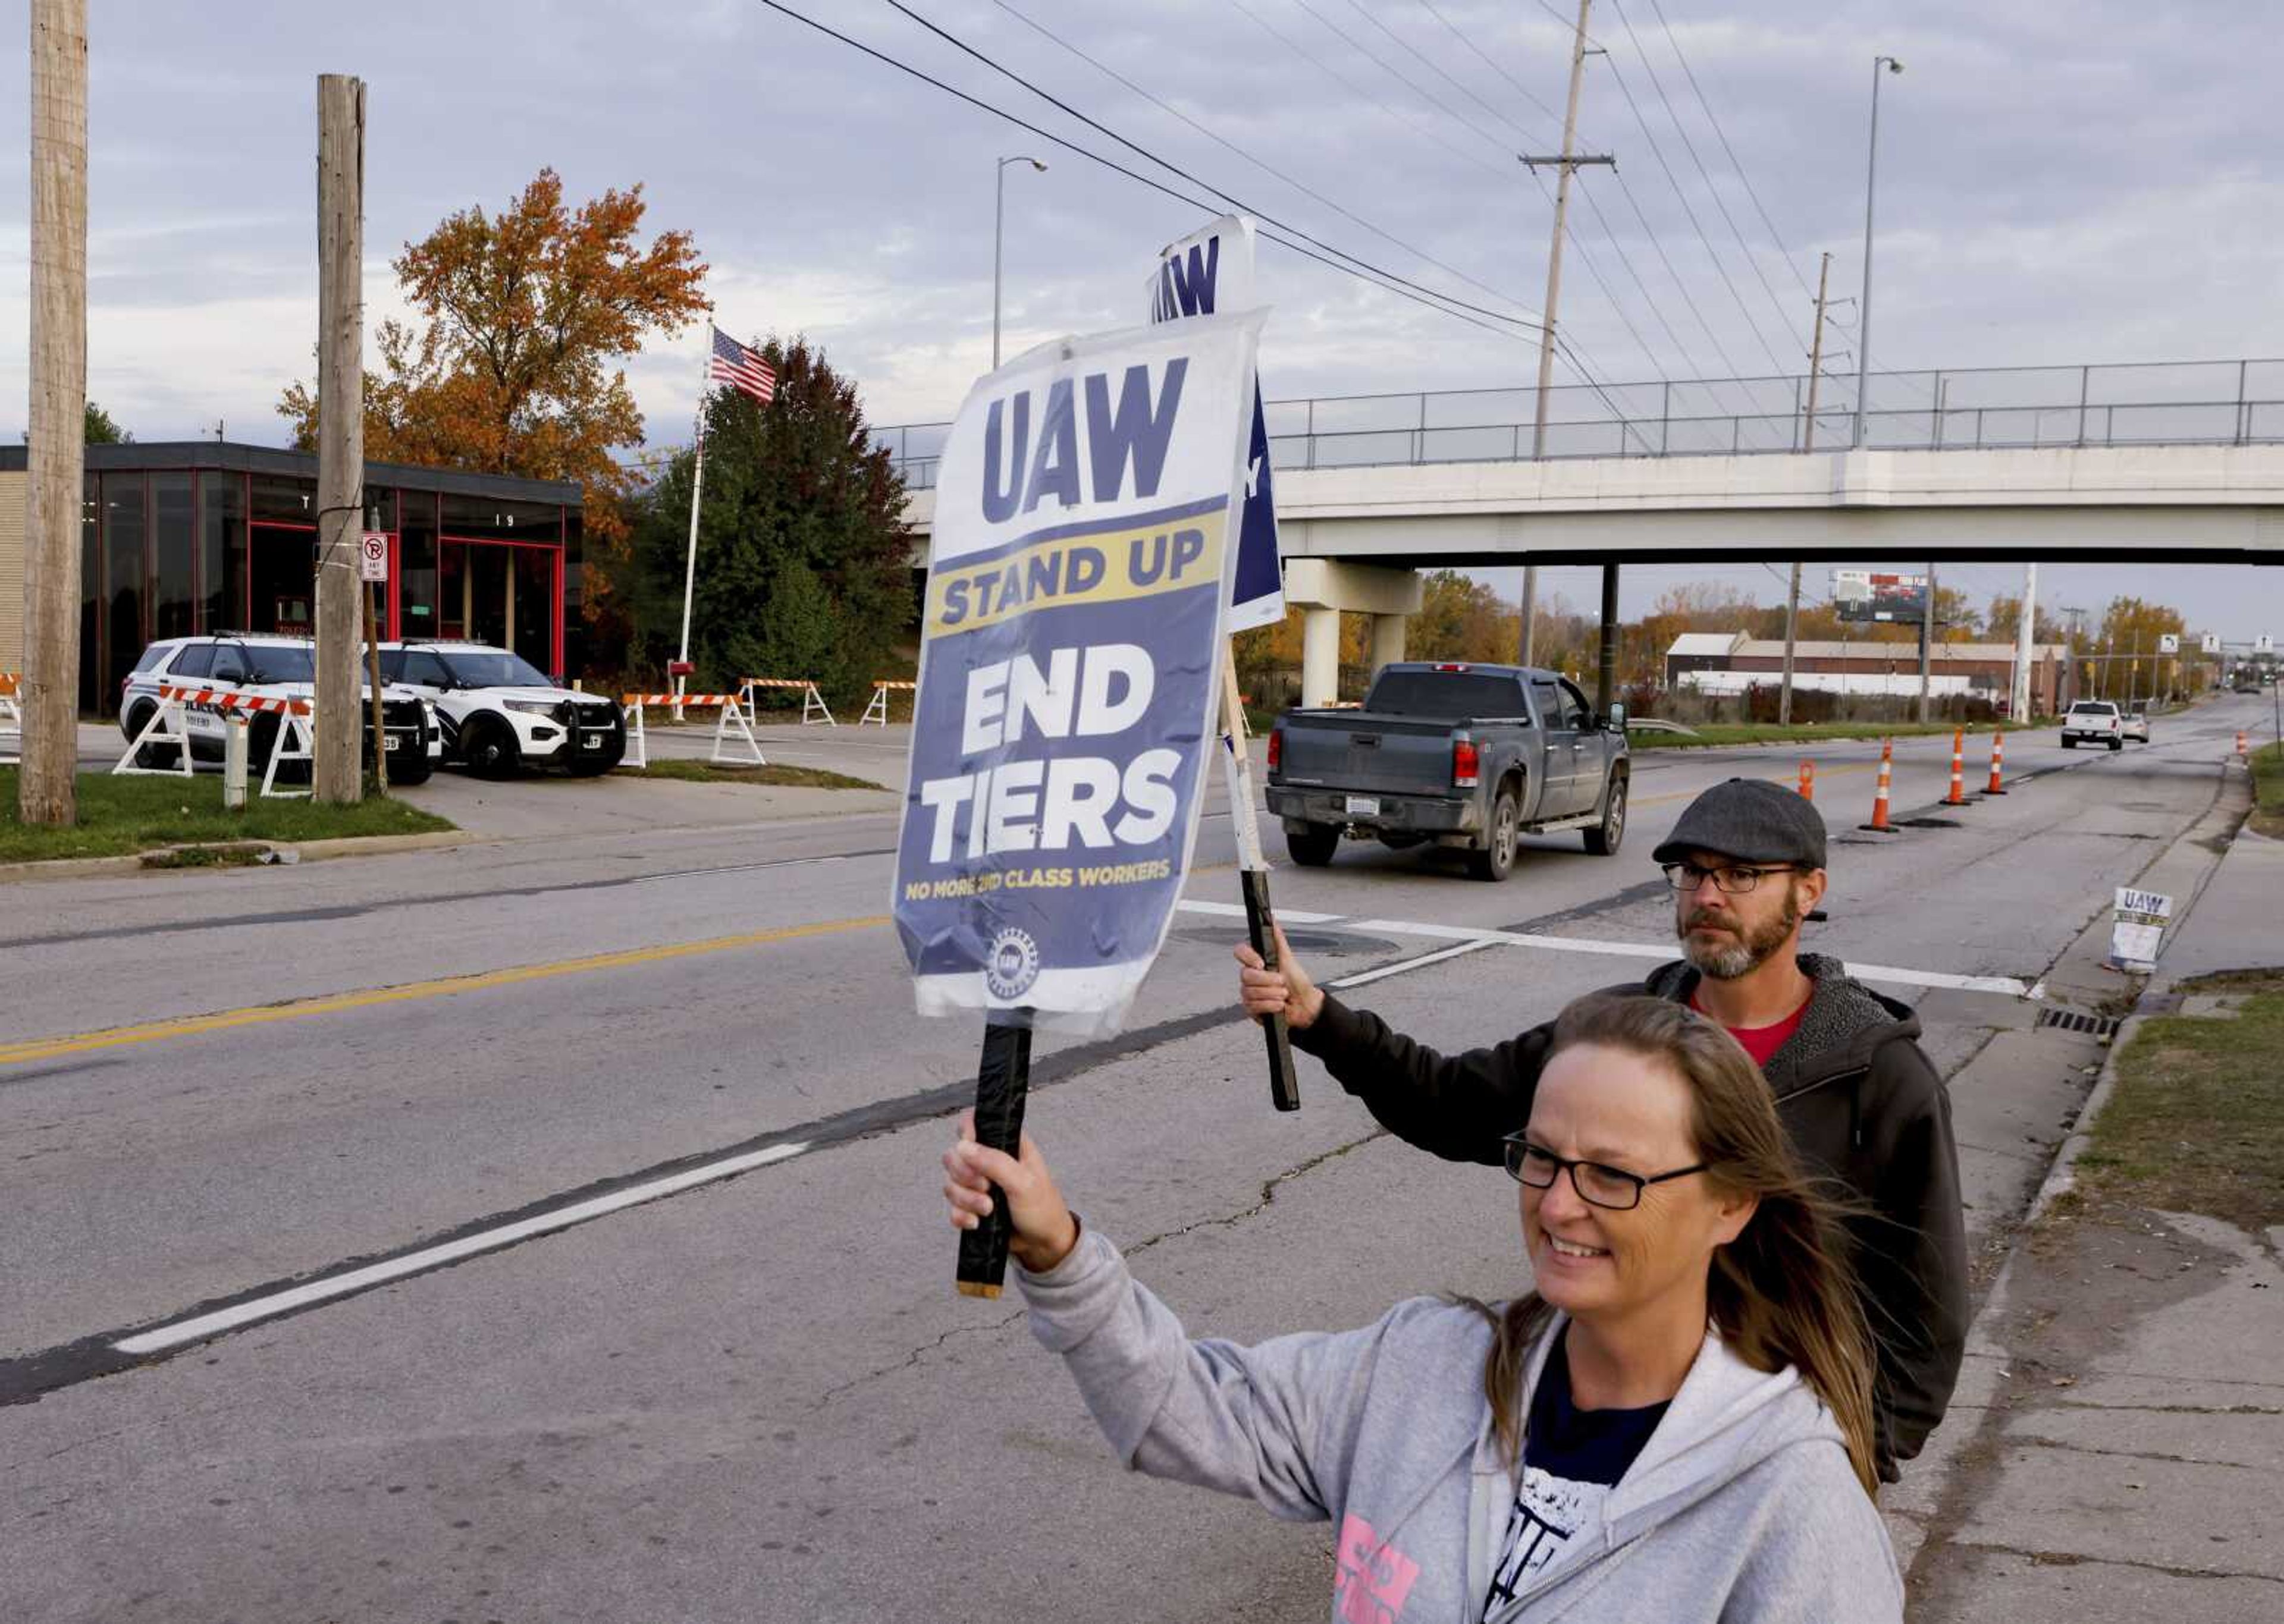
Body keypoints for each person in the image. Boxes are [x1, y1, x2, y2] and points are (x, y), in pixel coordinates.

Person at [942, 994, 1905, 1623]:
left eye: (1613, 1175)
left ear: (1732, 1203)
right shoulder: (1419, 1369)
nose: (1560, 1204)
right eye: (1541, 1155)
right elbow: (1178, 1413)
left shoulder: (1790, 1502)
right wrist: (1058, 1248)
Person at [1235, 777, 1966, 1484]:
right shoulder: (1618, 1037)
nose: (1708, 895)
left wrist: (1850, 1459)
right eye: (1694, 872)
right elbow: (1453, 1105)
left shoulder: (1878, 1077)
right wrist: (1320, 1020)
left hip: (1772, 1456)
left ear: (1809, 890)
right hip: (1605, 1433)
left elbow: (1924, 1317)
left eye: (1743, 875)